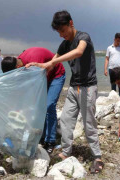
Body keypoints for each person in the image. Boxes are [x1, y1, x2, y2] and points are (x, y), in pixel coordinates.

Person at [26, 10, 104, 174]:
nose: (61, 35)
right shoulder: (64, 44)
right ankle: (66, 152)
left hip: (87, 87)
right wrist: (40, 65)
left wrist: (53, 61)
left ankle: (97, 156)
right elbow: (52, 63)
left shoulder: (83, 37)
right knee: (67, 121)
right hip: (73, 87)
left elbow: (79, 52)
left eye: (62, 30)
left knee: (89, 123)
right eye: (58, 32)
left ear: (71, 23)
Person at [1, 47, 66, 154]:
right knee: (39, 107)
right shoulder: (19, 63)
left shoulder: (34, 59)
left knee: (49, 105)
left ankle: (50, 141)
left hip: (56, 75)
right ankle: (42, 135)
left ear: (17, 67)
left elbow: (38, 81)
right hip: (43, 77)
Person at [104, 33, 120, 98]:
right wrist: (105, 69)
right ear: (114, 39)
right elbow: (107, 59)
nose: (118, 42)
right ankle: (113, 100)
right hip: (111, 69)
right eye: (117, 40)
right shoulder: (109, 48)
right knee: (113, 86)